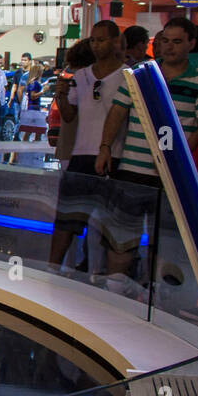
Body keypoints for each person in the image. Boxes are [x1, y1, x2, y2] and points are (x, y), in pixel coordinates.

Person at [96, 17, 198, 294]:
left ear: (191, 43)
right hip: (133, 169)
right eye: (165, 40)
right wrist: (105, 147)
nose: (169, 47)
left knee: (166, 240)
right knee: (122, 234)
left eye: (177, 41)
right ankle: (115, 289)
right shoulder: (141, 75)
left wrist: (178, 157)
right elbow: (117, 111)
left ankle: (157, 296)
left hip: (173, 175)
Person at [49, 22, 123, 275]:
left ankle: (100, 275)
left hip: (114, 157)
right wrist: (60, 95)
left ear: (115, 41)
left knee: (105, 224)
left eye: (102, 40)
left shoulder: (128, 76)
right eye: (93, 40)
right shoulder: (81, 77)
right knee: (66, 220)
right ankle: (51, 270)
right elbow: (70, 116)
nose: (96, 45)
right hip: (80, 156)